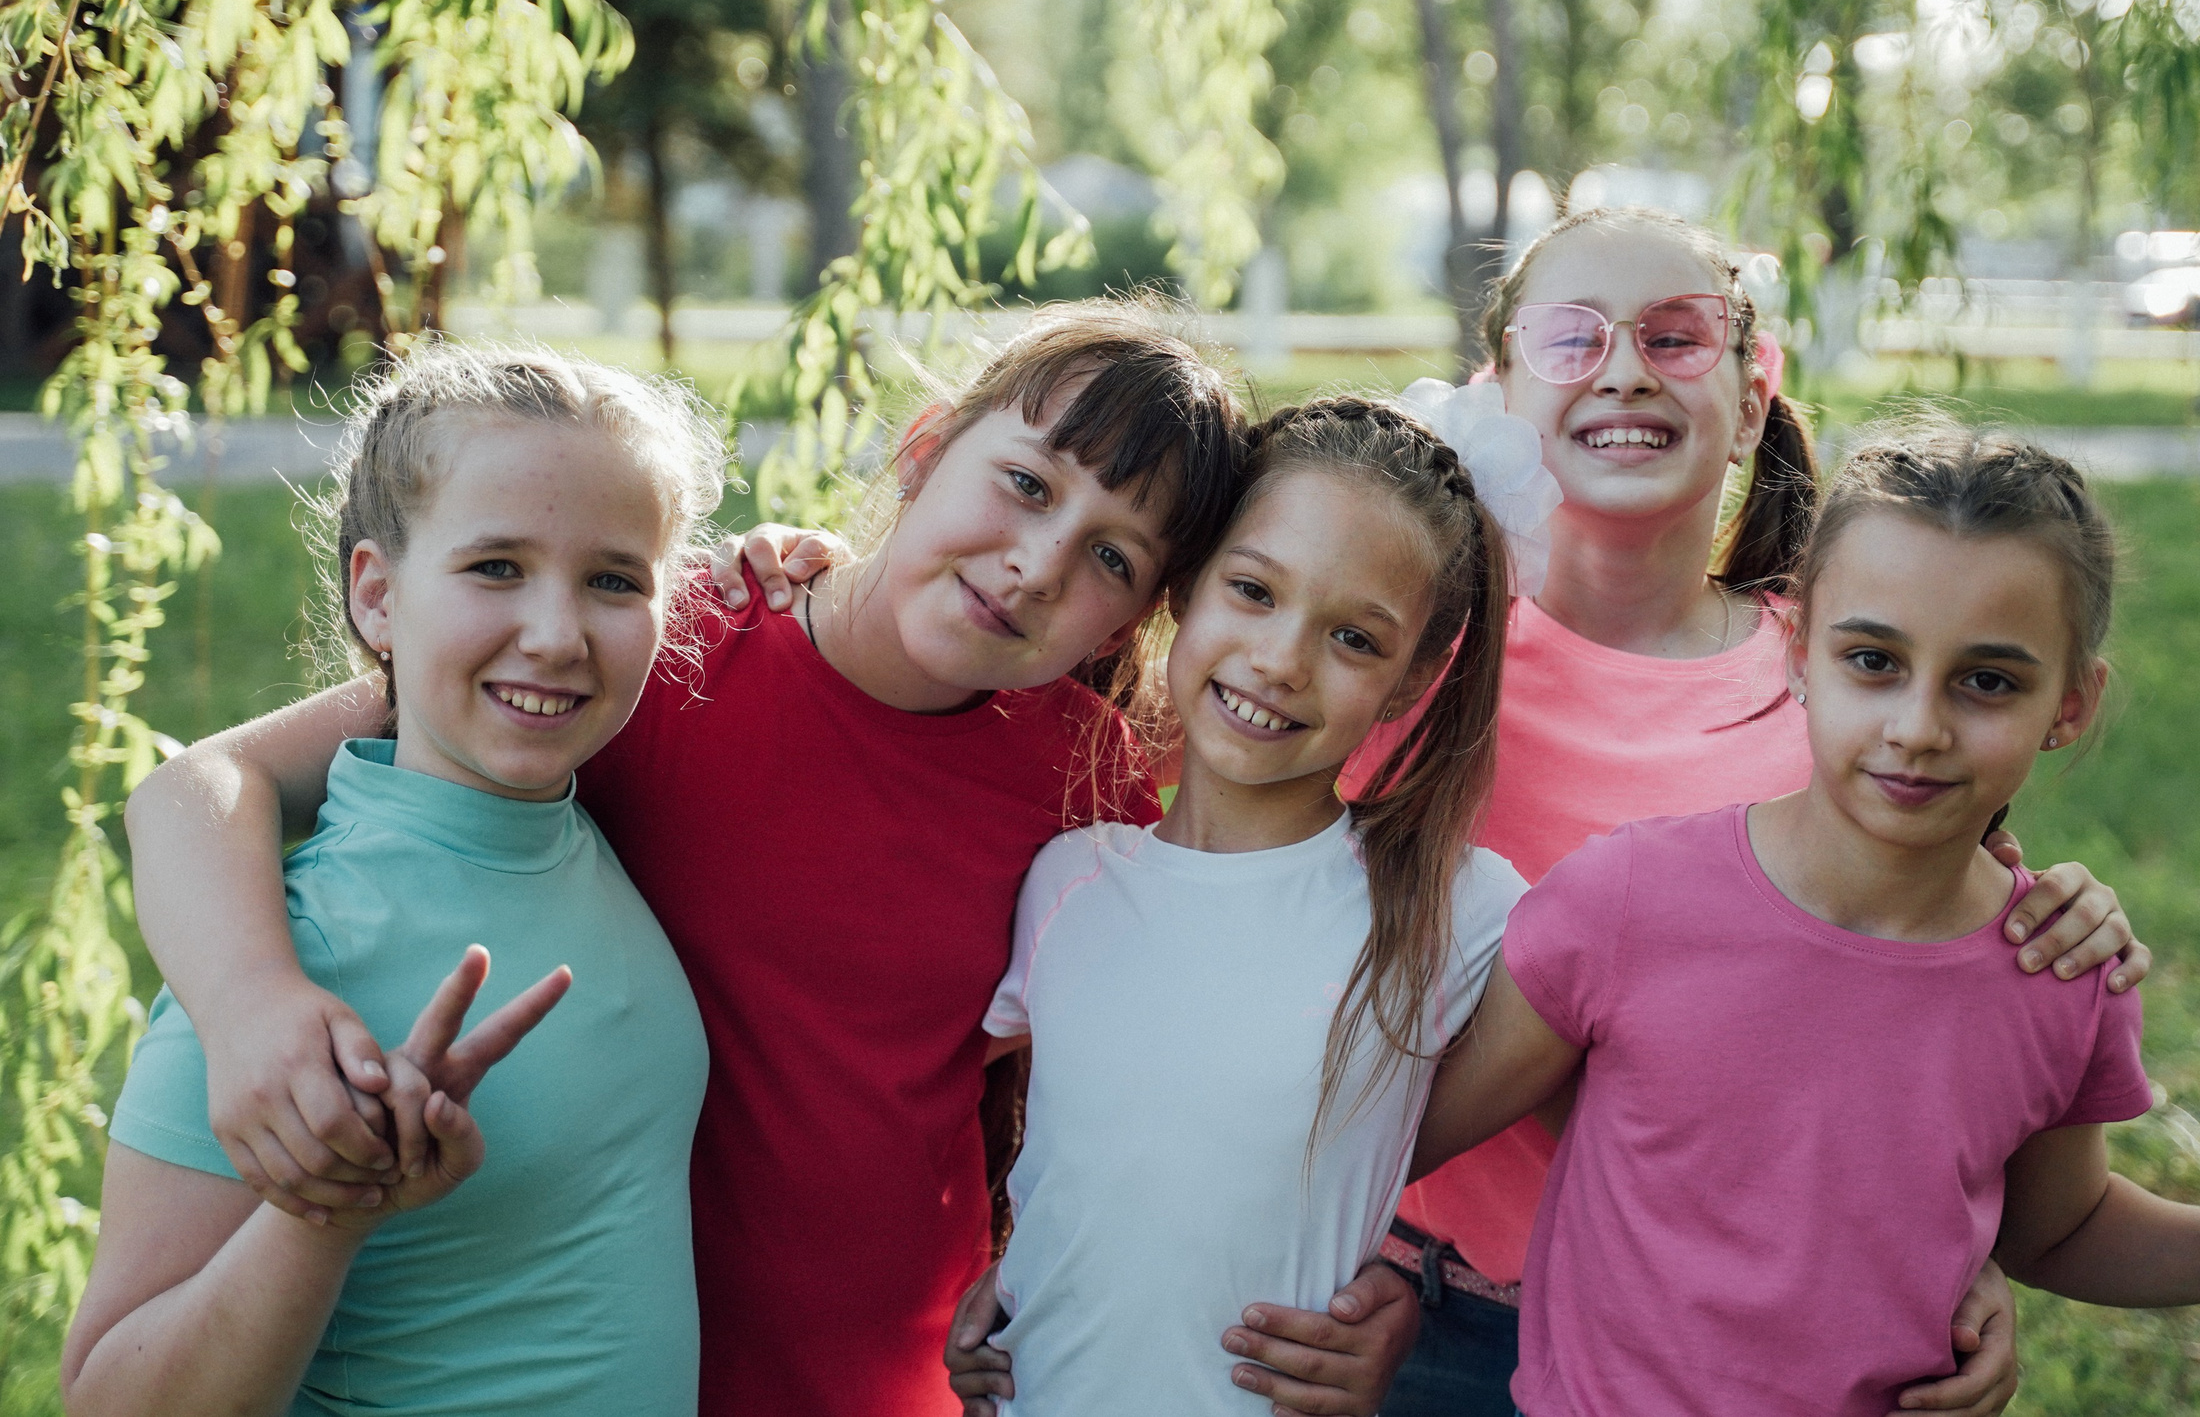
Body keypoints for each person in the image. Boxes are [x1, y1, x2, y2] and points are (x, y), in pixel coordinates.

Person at [120, 304, 1422, 1417]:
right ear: (925, 448)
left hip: (885, 1375)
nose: (1036, 564)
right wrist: (249, 1008)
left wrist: (1390, 1268)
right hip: (578, 1349)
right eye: (1026, 484)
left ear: (1137, 614)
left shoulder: (1086, 780)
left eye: (1111, 557)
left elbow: (1169, 1075)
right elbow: (204, 786)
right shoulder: (649, 646)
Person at [1411, 421, 2200, 1416]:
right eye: (1874, 660)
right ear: (1797, 651)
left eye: (1988, 681)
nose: (1918, 727)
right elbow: (1410, 1136)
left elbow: (2061, 1229)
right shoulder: (1625, 900)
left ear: (2070, 705)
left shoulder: (2056, 970)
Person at [1350, 208, 2152, 1416]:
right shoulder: (1400, 656)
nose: (1625, 369)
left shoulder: (1851, 679)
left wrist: (1949, 1254)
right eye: (1571, 337)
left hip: (1721, 1353)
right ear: (1496, 387)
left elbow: (1911, 1031)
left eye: (1676, 335)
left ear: (1750, 391)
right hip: (1418, 1314)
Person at [66, 344, 724, 1416]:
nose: (557, 636)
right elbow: (110, 1400)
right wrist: (331, 1206)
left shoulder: (589, 815)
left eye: (614, 579)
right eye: (495, 566)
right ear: (377, 595)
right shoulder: (299, 961)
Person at [947, 393, 1540, 1414]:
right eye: (1254, 590)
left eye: (1354, 638)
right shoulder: (1065, 880)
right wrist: (1002, 1266)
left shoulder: (1461, 911)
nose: (1279, 660)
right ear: (1186, 584)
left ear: (1409, 683)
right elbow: (1024, 1140)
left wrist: (1396, 1298)